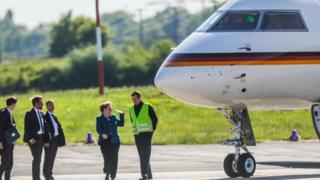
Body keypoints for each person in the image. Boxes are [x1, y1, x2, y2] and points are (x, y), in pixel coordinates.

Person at [129, 91, 158, 180]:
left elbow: (155, 119)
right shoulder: (131, 109)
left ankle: (144, 175)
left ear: (139, 98)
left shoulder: (147, 107)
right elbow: (133, 121)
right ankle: (149, 175)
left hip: (147, 134)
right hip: (137, 135)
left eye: (135, 98)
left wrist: (151, 131)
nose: (134, 100)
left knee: (145, 154)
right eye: (132, 99)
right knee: (142, 155)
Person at [24, 95, 50, 180]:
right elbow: (27, 127)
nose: (42, 104)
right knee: (36, 158)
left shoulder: (41, 113)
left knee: (39, 159)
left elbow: (45, 128)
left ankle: (37, 177)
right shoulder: (29, 113)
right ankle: (36, 178)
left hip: (41, 139)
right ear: (36, 103)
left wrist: (46, 140)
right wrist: (30, 138)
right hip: (34, 140)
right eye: (41, 103)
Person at [96, 102, 124, 180]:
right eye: (109, 108)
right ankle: (107, 172)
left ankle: (112, 176)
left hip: (115, 141)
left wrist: (122, 115)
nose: (110, 110)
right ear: (104, 110)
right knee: (107, 158)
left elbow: (121, 124)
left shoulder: (113, 117)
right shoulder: (99, 118)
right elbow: (98, 129)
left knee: (114, 158)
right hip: (105, 141)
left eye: (111, 109)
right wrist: (102, 134)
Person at [43, 100, 66, 180]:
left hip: (56, 140)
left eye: (53, 105)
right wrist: (45, 141)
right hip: (50, 140)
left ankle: (50, 173)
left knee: (52, 158)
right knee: (48, 158)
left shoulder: (54, 116)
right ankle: (46, 174)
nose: (52, 107)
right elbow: (45, 130)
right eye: (50, 105)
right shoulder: (45, 116)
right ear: (47, 106)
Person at [0, 96, 18, 180]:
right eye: (15, 104)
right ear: (13, 104)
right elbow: (0, 128)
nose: (15, 106)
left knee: (10, 163)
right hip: (4, 142)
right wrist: (0, 142)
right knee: (5, 162)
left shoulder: (9, 112)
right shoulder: (4, 113)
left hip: (9, 142)